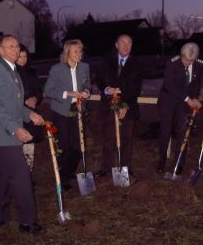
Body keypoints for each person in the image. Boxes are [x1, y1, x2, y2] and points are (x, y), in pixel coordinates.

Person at [0, 35, 45, 234]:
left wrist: (29, 113)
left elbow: (15, 104)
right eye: (10, 46)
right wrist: (16, 128)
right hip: (4, 133)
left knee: (2, 177)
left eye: (17, 46)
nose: (15, 49)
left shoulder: (12, 70)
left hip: (6, 132)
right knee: (21, 176)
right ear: (0, 50)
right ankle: (27, 221)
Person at [44, 39, 90, 190]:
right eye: (75, 51)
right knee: (64, 147)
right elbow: (48, 90)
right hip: (61, 112)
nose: (79, 54)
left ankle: (68, 172)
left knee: (78, 147)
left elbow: (87, 85)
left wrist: (87, 92)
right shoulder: (57, 69)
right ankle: (63, 179)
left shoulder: (84, 67)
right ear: (67, 52)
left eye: (80, 51)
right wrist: (68, 94)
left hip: (78, 111)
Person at [94, 34, 142, 178]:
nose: (126, 46)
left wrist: (124, 105)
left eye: (129, 43)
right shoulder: (107, 61)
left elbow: (135, 88)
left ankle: (125, 168)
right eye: (123, 42)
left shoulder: (137, 64)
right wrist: (107, 89)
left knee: (127, 139)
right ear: (116, 45)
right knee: (109, 138)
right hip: (110, 106)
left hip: (128, 107)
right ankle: (105, 168)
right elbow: (99, 79)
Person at [157, 43, 203, 174]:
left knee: (183, 132)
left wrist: (194, 99)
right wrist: (188, 99)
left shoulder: (199, 64)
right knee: (165, 132)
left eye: (191, 61)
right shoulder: (172, 63)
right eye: (186, 60)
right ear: (181, 55)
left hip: (185, 104)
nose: (188, 63)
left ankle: (179, 163)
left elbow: (197, 84)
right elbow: (169, 85)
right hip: (168, 100)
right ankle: (162, 161)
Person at [16, 44, 43, 174]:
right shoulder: (12, 73)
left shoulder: (31, 72)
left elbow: (39, 90)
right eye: (20, 56)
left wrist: (36, 99)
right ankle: (19, 173)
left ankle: (28, 173)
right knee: (18, 145)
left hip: (32, 112)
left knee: (29, 145)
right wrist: (24, 100)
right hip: (18, 114)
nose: (23, 59)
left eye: (25, 56)